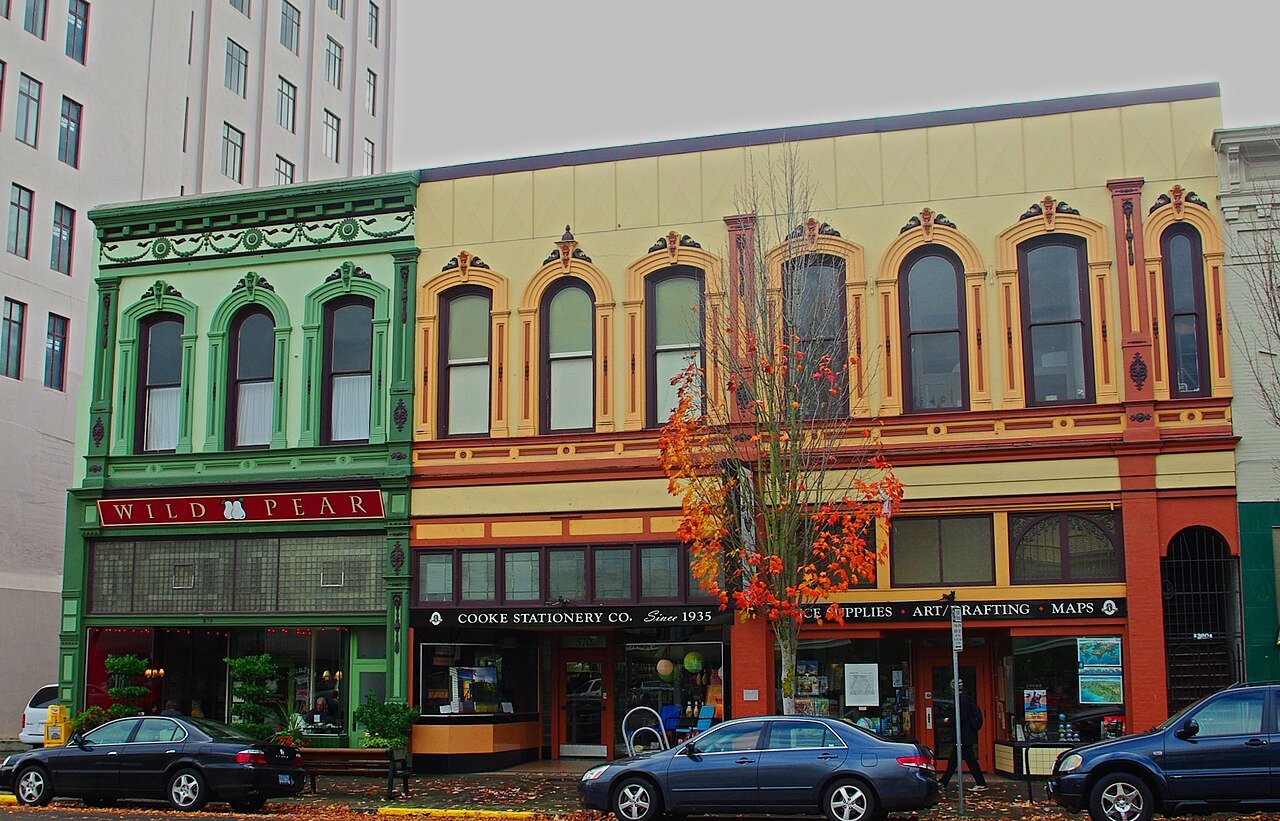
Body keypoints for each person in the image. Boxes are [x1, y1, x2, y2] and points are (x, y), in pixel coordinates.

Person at [938, 679, 988, 792]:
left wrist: (949, 720)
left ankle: (944, 782)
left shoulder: (961, 699)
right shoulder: (967, 697)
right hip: (966, 734)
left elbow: (962, 717)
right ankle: (944, 782)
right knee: (961, 759)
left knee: (960, 760)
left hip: (963, 734)